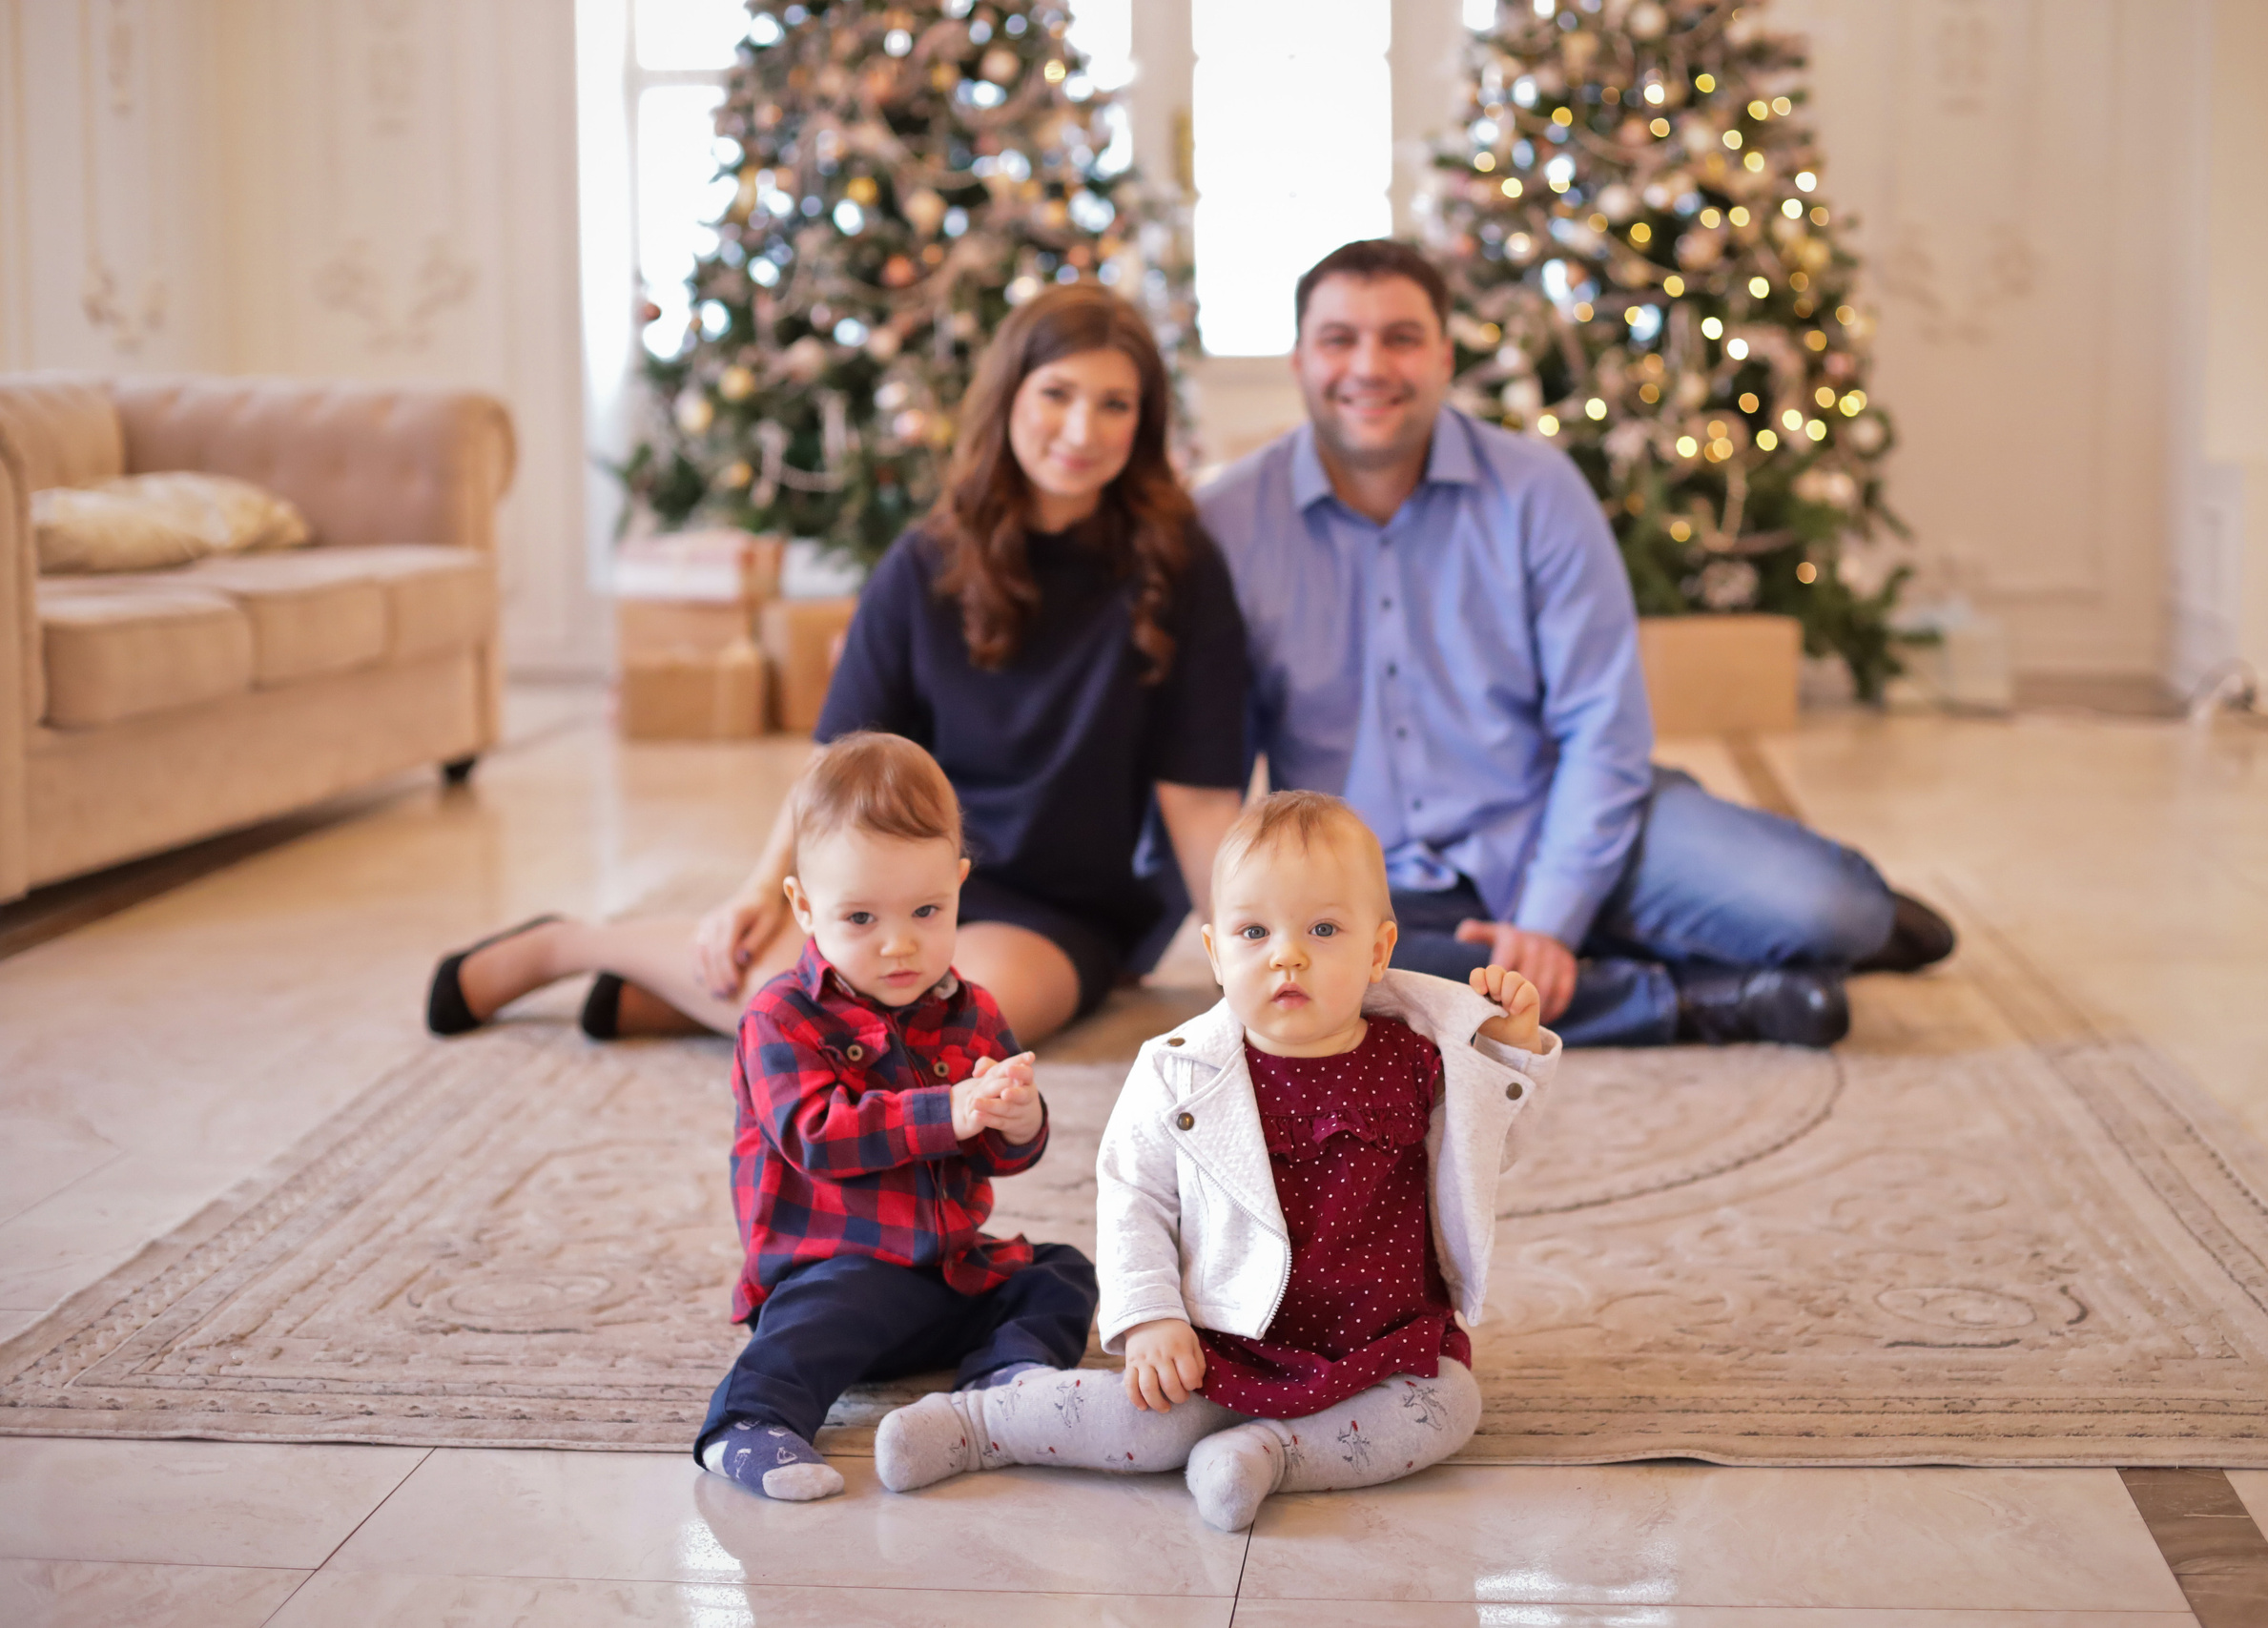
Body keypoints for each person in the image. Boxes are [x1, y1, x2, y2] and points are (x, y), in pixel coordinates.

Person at [424, 285, 1250, 1046]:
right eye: (1057, 394)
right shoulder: (924, 563)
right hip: (894, 884)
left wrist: (1241, 966)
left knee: (942, 1037)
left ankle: (678, 997)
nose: (1083, 430)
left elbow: (1200, 801)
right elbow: (836, 761)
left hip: (1061, 908)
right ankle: (565, 943)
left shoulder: (1182, 568)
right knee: (830, 999)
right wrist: (760, 887)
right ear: (1009, 400)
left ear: (1144, 424)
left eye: (1116, 405)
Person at [1193, 239, 1954, 1050]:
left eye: (1402, 338)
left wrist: (1550, 916)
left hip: (1560, 823)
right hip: (1365, 881)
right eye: (1340, 339)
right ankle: (1707, 997)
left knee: (1832, 908)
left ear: (1446, 355)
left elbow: (1604, 723)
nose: (1370, 365)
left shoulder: (1537, 489)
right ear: (1300, 359)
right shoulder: (1229, 520)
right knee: (1333, 989)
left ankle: (1796, 926)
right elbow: (1205, 760)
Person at [872, 791, 1557, 1533]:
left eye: (1323, 928)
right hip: (1224, 1335)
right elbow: (1135, 1196)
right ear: (1215, 954)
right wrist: (1154, 1318)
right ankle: (982, 1422)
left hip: (1381, 1342)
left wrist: (1506, 1048)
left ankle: (1272, 1454)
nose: (1286, 953)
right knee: (1151, 1422)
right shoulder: (1179, 1070)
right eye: (1254, 931)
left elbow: (1488, 1154)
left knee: (1448, 1406)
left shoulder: (1418, 1059)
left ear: (1378, 951)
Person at [694, 733, 1099, 1503]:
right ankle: (746, 1422)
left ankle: (1001, 1390)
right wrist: (946, 1112)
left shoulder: (970, 1007)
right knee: (822, 1314)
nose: (900, 942)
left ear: (959, 884)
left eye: (926, 908)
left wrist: (1019, 1121)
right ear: (804, 908)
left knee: (1061, 1272)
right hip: (836, 1268)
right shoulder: (781, 1017)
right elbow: (819, 1133)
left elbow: (1000, 1157)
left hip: (946, 1269)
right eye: (860, 917)